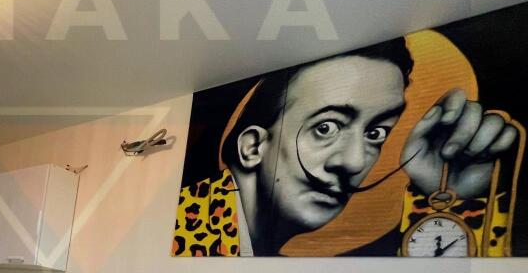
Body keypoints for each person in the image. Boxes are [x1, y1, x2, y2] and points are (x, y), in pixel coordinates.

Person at [174, 38, 520, 256]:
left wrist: (449, 200)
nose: (354, 162)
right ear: (252, 147)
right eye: (326, 127)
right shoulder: (186, 233)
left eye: (376, 133)